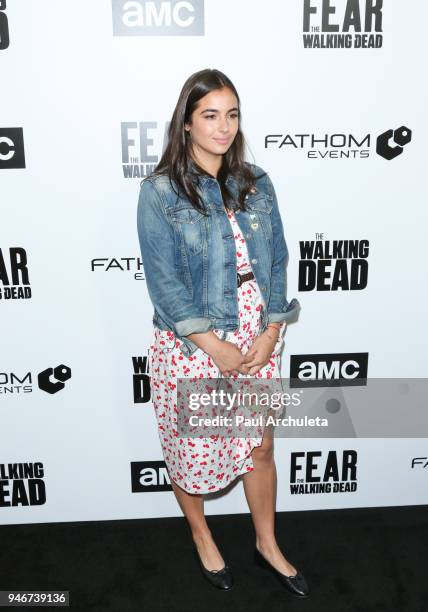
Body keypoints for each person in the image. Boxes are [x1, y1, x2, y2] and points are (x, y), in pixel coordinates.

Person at [137, 68, 309, 598]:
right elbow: (163, 282)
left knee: (260, 447)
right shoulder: (160, 191)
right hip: (192, 346)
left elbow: (277, 259)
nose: (223, 126)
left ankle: (266, 543)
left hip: (257, 335)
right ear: (186, 124)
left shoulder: (256, 181)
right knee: (191, 453)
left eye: (231, 114)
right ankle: (201, 534)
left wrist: (273, 329)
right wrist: (214, 346)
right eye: (209, 115)